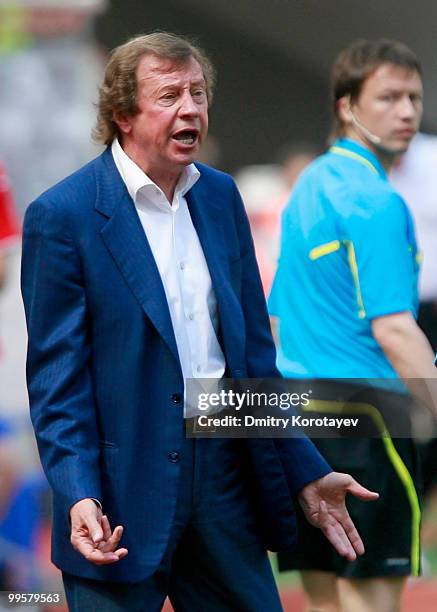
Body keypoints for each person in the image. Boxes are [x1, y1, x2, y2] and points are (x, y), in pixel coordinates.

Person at [21, 32, 377, 611]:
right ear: (123, 114)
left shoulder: (220, 196)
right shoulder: (62, 216)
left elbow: (255, 362)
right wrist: (79, 493)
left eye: (198, 93)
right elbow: (57, 384)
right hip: (118, 493)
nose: (191, 108)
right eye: (168, 96)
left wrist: (305, 469)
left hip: (225, 478)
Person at [269, 39, 437, 612]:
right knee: (371, 605)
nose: (408, 111)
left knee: (323, 602)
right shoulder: (376, 201)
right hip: (369, 419)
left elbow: (278, 313)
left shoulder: (309, 185)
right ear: (348, 106)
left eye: (413, 96)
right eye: (388, 97)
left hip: (298, 416)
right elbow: (394, 329)